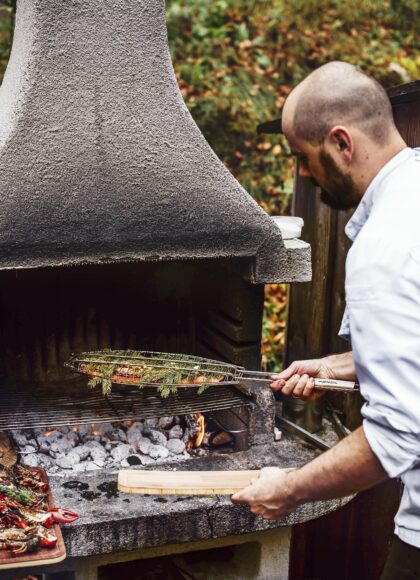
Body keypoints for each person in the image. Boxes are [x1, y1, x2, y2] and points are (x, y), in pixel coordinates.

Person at [231, 61, 420, 579]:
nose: (305, 176)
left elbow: (396, 437)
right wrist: (339, 367)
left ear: (341, 142)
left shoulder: (386, 246)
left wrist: (287, 491)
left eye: (304, 159)